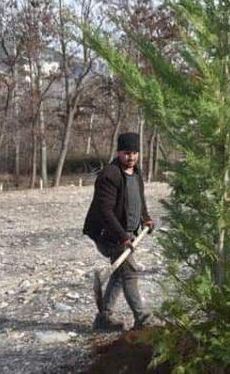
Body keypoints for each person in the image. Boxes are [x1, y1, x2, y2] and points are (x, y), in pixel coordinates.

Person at [83, 132, 155, 331]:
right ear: (118, 152)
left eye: (134, 153)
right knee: (130, 272)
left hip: (128, 234)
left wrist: (145, 218)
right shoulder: (109, 175)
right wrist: (122, 237)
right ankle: (142, 318)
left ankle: (104, 318)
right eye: (126, 153)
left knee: (118, 273)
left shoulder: (137, 173)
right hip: (109, 234)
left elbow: (139, 200)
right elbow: (105, 211)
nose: (130, 157)